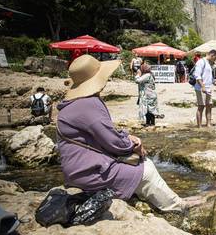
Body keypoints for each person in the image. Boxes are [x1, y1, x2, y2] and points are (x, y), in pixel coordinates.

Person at [56, 55, 202, 212]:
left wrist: (126, 136)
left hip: (77, 171)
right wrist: (133, 145)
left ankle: (172, 199)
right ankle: (176, 206)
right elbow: (112, 141)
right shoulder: (89, 104)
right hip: (89, 174)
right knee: (147, 170)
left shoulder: (73, 104)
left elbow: (101, 133)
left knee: (142, 166)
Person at [194, 49, 216, 128]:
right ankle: (199, 126)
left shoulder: (208, 63)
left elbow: (209, 77)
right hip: (201, 88)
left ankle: (208, 124)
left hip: (208, 88)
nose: (214, 60)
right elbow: (197, 76)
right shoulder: (201, 62)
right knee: (201, 107)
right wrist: (203, 87)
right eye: (215, 58)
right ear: (212, 55)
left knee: (209, 106)